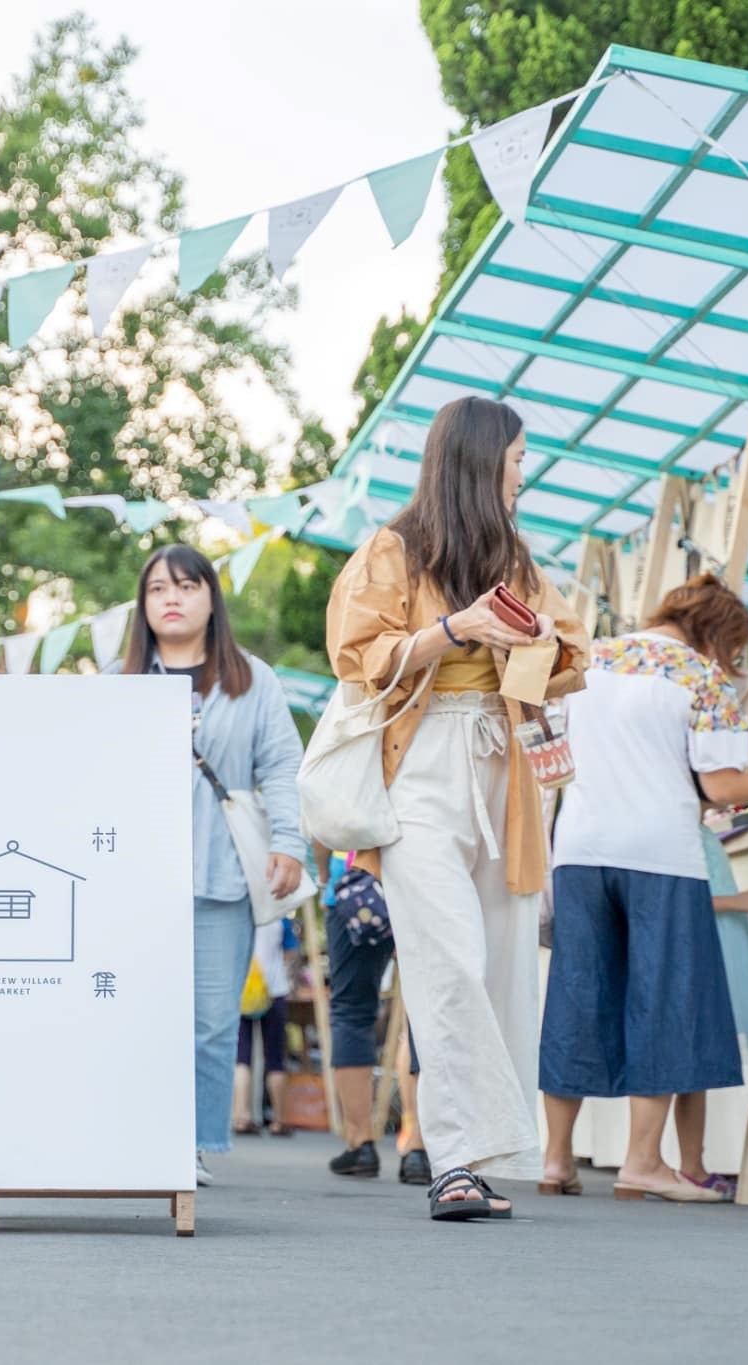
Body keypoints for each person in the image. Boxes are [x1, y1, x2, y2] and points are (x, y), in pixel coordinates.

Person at [326, 394, 588, 1222]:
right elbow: (357, 654)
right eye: (516, 458)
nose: (524, 472)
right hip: (421, 763)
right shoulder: (394, 549)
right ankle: (451, 1158)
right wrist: (455, 627)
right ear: (480, 460)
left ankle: (471, 1154)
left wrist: (534, 634)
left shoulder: (515, 555)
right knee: (449, 960)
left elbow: (571, 649)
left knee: (505, 961)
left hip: (504, 770)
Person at [540, 574, 748, 1203]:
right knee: (663, 1001)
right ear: (714, 632)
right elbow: (723, 787)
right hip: (661, 854)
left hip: (577, 848)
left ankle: (554, 1161)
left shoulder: (590, 656)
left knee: (578, 996)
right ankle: (644, 1162)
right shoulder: (702, 678)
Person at [120, 544, 303, 1188]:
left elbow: (281, 767)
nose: (172, 599)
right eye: (157, 589)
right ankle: (129, 1137)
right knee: (136, 1012)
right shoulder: (119, 686)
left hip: (221, 874)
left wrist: (290, 842)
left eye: (187, 586)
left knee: (212, 1020)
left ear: (211, 598)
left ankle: (190, 1145)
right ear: (142, 606)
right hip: (132, 884)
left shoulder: (252, 680)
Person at [318, 850, 430, 1184]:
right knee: (423, 1014)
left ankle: (360, 1142)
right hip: (421, 877)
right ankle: (418, 1147)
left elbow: (325, 821)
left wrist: (325, 874)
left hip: (354, 879)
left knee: (351, 1009)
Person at [232, 917, 296, 1138]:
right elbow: (290, 953)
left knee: (241, 1057)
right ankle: (280, 1119)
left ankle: (241, 1115)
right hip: (274, 989)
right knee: (275, 1058)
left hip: (242, 990)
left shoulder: (240, 913)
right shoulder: (280, 917)